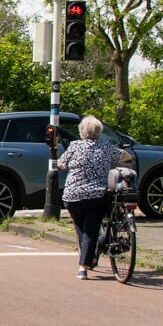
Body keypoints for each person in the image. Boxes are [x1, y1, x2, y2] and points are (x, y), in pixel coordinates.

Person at [53, 115, 126, 279]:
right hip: (97, 195)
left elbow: (61, 163)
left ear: (82, 132)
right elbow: (124, 157)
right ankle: (83, 267)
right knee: (90, 231)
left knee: (81, 229)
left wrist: (65, 166)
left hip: (73, 196)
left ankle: (87, 260)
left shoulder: (74, 146)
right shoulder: (106, 146)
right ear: (99, 132)